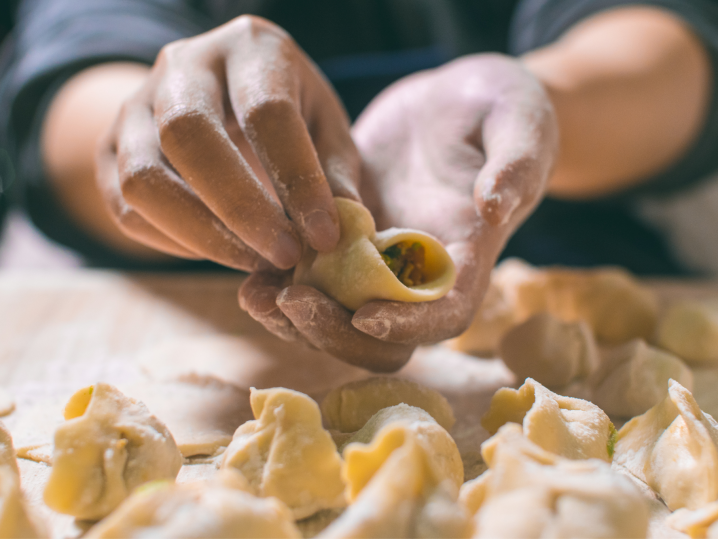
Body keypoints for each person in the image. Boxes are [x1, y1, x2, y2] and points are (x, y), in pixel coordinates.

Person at [0, 0, 716, 370]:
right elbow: (63, 107)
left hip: (572, 253)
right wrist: (158, 121)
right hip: (189, 301)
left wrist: (539, 101)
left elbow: (669, 50)